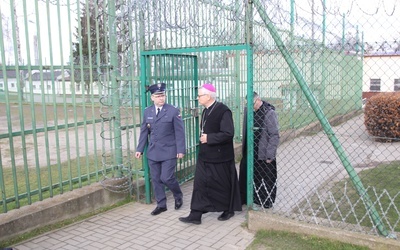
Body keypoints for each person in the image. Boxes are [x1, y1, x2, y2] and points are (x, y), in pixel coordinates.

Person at [179, 83, 242, 225]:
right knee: (200, 183)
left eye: (200, 95)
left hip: (220, 157)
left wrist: (209, 138)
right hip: (205, 156)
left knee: (222, 185)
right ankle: (195, 214)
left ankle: (228, 209)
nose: (197, 98)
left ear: (208, 96)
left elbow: (228, 133)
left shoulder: (223, 110)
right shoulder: (206, 110)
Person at [135, 82, 186, 216]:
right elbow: (144, 132)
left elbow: (179, 132)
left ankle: (178, 195)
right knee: (156, 179)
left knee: (166, 177)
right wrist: (139, 149)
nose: (161, 98)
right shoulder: (147, 111)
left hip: (169, 150)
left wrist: (180, 150)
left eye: (162, 95)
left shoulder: (173, 110)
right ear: (152, 98)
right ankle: (161, 204)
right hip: (153, 151)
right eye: (157, 96)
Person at [239, 92, 280, 209]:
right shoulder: (248, 111)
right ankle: (246, 197)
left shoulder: (269, 113)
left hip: (263, 152)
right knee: (245, 172)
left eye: (253, 104)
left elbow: (274, 135)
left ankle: (265, 200)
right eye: (249, 104)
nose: (251, 107)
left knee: (265, 176)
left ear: (258, 100)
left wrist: (270, 155)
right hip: (249, 151)